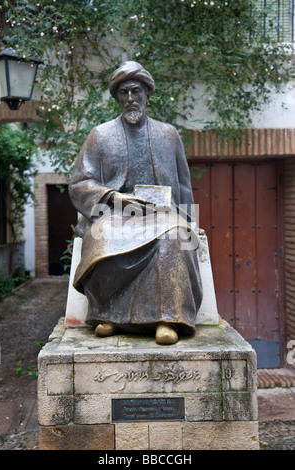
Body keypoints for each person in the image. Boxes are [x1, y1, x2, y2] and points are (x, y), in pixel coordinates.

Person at [69, 61, 202, 345]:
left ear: (146, 95)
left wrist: (192, 224)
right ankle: (107, 314)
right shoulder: (100, 135)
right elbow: (80, 182)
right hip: (116, 212)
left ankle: (169, 318)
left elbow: (182, 185)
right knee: (103, 239)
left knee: (173, 239)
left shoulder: (169, 135)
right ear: (117, 97)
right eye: (124, 92)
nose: (130, 98)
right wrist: (112, 196)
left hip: (162, 213)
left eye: (136, 91)